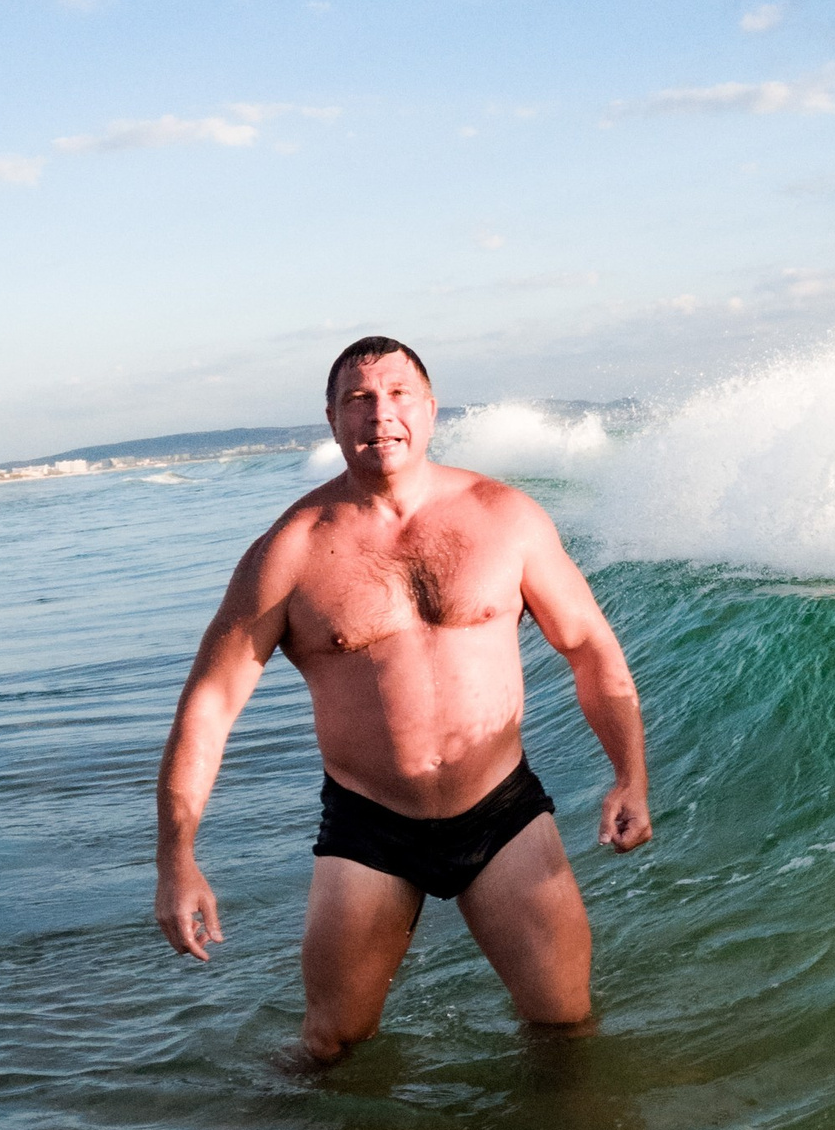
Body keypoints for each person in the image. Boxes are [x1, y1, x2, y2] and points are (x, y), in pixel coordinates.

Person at [153, 335, 650, 1061]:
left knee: (565, 1029)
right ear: (331, 419)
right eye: (357, 400)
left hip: (501, 813)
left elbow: (589, 649)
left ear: (430, 409)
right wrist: (177, 859)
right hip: (370, 829)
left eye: (397, 395)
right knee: (329, 1046)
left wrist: (628, 772)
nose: (379, 414)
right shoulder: (287, 553)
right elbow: (209, 706)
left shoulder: (503, 517)